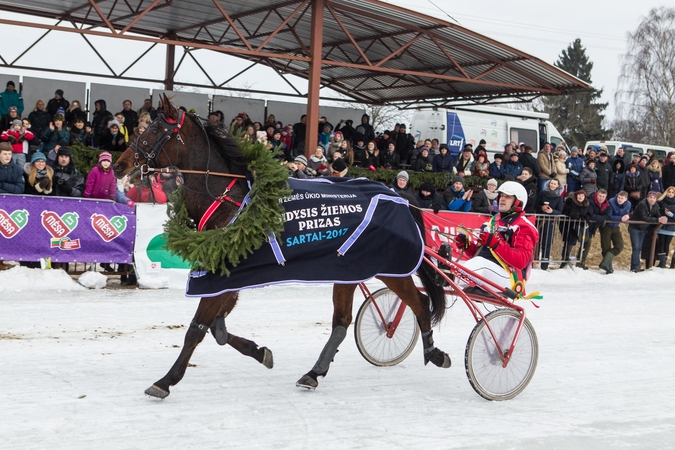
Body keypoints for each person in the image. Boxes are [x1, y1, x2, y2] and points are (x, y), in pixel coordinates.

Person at [454, 181, 539, 290]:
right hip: (490, 272)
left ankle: (451, 278)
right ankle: (446, 273)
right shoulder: (490, 222)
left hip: (511, 278)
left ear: (518, 202)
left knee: (480, 264)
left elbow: (521, 261)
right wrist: (467, 246)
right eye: (501, 196)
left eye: (508, 197)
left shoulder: (524, 227)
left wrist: (496, 245)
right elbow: (481, 254)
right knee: (476, 262)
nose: (502, 199)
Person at [628, 191, 668, 272]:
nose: (652, 199)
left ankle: (635, 265)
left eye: (654, 198)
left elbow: (657, 215)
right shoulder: (642, 204)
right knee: (636, 247)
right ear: (647, 197)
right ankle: (635, 266)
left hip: (643, 229)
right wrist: (657, 219)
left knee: (639, 248)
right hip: (634, 227)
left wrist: (662, 218)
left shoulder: (656, 205)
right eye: (650, 197)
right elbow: (644, 217)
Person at [598, 191, 631, 274]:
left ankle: (604, 263)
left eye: (622, 198)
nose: (619, 199)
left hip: (616, 226)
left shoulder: (628, 204)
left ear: (626, 199)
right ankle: (608, 268)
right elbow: (609, 216)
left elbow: (626, 213)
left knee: (619, 245)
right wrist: (621, 218)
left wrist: (627, 216)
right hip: (606, 226)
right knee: (606, 247)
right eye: (619, 197)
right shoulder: (611, 202)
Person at [577, 189, 610, 270]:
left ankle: (580, 261)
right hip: (585, 225)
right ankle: (579, 261)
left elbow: (607, 216)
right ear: (597, 195)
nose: (601, 198)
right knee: (587, 243)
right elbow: (591, 215)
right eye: (600, 196)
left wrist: (599, 218)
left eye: (603, 197)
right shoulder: (591, 202)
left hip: (593, 227)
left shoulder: (606, 204)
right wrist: (602, 219)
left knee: (586, 244)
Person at [534, 179, 564, 270]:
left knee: (546, 243)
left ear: (557, 186)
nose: (552, 185)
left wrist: (552, 211)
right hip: (539, 220)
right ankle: (534, 262)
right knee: (536, 242)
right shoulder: (542, 193)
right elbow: (536, 205)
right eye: (551, 183)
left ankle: (544, 265)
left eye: (555, 184)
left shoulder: (559, 198)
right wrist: (541, 208)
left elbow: (560, 211)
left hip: (550, 222)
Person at [559, 190, 589, 268]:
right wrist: (579, 215)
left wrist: (584, 218)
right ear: (576, 195)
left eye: (582, 196)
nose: (580, 197)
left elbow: (586, 214)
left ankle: (566, 258)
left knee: (572, 241)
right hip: (568, 225)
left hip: (576, 226)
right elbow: (569, 212)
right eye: (579, 195)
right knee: (569, 241)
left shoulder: (585, 204)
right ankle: (564, 258)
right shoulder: (570, 201)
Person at [655, 187, 675, 268]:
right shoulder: (661, 201)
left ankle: (664, 262)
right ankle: (661, 263)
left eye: (672, 192)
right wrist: (662, 216)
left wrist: (671, 214)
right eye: (669, 192)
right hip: (662, 226)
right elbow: (657, 211)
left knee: (667, 244)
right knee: (661, 244)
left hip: (671, 227)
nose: (670, 193)